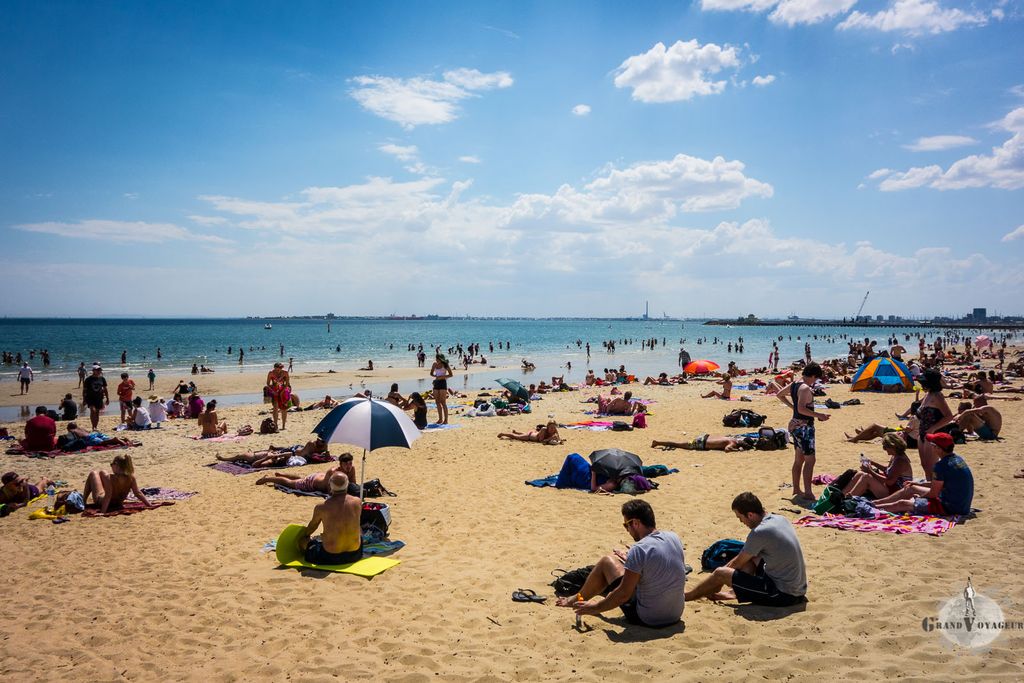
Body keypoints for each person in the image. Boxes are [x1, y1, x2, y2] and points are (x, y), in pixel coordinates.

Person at [554, 500, 686, 628]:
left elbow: (623, 594)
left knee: (607, 562)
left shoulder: (639, 549)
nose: (627, 530)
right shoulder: (673, 537)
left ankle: (577, 599)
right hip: (675, 615)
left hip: (648, 618)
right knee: (622, 566)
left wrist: (595, 607)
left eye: (626, 525)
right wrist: (629, 560)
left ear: (636, 523)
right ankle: (579, 597)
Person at [685, 492, 807, 607]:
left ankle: (688, 596)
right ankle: (734, 593)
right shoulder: (779, 519)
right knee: (751, 557)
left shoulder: (759, 532)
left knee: (720, 573)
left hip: (783, 594)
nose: (741, 521)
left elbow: (736, 563)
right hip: (798, 588)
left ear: (750, 515)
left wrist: (717, 581)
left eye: (740, 517)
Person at [873, 433, 974, 516]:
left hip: (949, 507)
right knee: (911, 487)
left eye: (932, 445)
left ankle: (872, 508)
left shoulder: (940, 466)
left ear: (938, 448)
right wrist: (918, 484)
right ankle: (876, 503)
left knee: (903, 504)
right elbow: (940, 483)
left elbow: (933, 494)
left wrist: (918, 498)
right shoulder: (958, 459)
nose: (931, 448)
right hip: (961, 504)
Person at [776, 363, 830, 501]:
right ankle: (808, 492)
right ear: (813, 376)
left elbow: (780, 394)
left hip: (795, 425)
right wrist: (819, 415)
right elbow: (801, 409)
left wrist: (792, 407)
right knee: (810, 460)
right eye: (815, 379)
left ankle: (796, 489)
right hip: (804, 427)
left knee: (799, 459)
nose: (815, 382)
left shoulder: (795, 383)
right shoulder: (805, 388)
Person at [295, 472, 363, 565]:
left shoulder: (322, 507)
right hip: (355, 554)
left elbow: (311, 528)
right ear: (347, 484)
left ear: (330, 486)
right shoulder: (357, 502)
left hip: (331, 556)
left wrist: (304, 536)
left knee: (303, 542)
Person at [842, 432, 914, 498]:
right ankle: (842, 495)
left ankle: (849, 499)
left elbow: (890, 481)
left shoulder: (900, 461)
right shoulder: (896, 456)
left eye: (885, 447)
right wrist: (872, 462)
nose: (884, 449)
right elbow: (888, 469)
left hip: (898, 493)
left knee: (866, 477)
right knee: (861, 473)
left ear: (892, 446)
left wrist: (870, 471)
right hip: (892, 488)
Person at [915, 369, 953, 480]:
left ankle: (934, 488)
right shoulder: (928, 394)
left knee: (931, 466)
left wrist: (932, 429)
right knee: (925, 465)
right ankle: (929, 486)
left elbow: (949, 416)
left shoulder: (937, 396)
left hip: (933, 435)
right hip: (922, 432)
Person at [82, 454, 151, 514]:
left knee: (93, 473)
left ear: (117, 465)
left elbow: (108, 496)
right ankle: (83, 501)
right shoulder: (131, 477)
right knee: (102, 473)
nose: (111, 466)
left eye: (112, 464)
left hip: (102, 502)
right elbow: (138, 493)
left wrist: (103, 512)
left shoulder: (110, 478)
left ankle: (83, 501)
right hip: (118, 503)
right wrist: (149, 505)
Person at [256, 458, 354, 495]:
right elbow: (330, 491)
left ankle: (281, 474)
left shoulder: (351, 469)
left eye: (350, 463)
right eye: (346, 464)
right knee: (290, 483)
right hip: (311, 483)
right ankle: (267, 479)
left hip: (318, 477)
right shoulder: (333, 472)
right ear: (340, 464)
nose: (348, 466)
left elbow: (353, 483)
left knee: (301, 478)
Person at [218, 437, 332, 467]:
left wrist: (269, 457)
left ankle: (274, 448)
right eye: (318, 439)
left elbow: (255, 465)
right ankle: (225, 459)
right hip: (294, 452)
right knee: (242, 455)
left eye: (321, 440)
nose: (318, 440)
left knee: (245, 456)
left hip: (268, 457)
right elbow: (305, 454)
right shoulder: (311, 444)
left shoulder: (323, 446)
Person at [651, 434, 754, 452]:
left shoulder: (733, 438)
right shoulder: (733, 443)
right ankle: (657, 442)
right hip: (700, 443)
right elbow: (727, 449)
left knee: (679, 444)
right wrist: (737, 450)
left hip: (704, 437)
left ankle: (658, 442)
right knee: (677, 444)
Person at [266, 362, 292, 431]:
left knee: (284, 408)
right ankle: (276, 425)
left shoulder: (285, 373)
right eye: (277, 369)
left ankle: (283, 425)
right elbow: (268, 383)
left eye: (279, 369)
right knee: (275, 408)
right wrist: (273, 391)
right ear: (274, 368)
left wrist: (282, 391)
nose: (278, 370)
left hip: (284, 390)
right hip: (275, 390)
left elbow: (287, 384)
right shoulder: (271, 373)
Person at [430, 354, 454, 425]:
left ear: (441, 359)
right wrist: (436, 376)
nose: (436, 360)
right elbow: (431, 373)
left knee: (443, 402)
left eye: (438, 359)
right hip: (436, 383)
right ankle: (440, 419)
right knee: (437, 402)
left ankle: (446, 420)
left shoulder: (445, 364)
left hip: (443, 383)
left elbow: (451, 374)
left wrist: (442, 377)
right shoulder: (434, 364)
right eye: (436, 359)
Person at [497, 421, 562, 445]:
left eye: (554, 427)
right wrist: (550, 438)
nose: (552, 429)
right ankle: (503, 434)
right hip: (530, 436)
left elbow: (559, 438)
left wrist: (559, 440)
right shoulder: (544, 429)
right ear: (547, 427)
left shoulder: (555, 430)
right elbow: (541, 441)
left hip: (534, 433)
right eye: (551, 428)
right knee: (515, 437)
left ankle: (516, 432)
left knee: (523, 434)